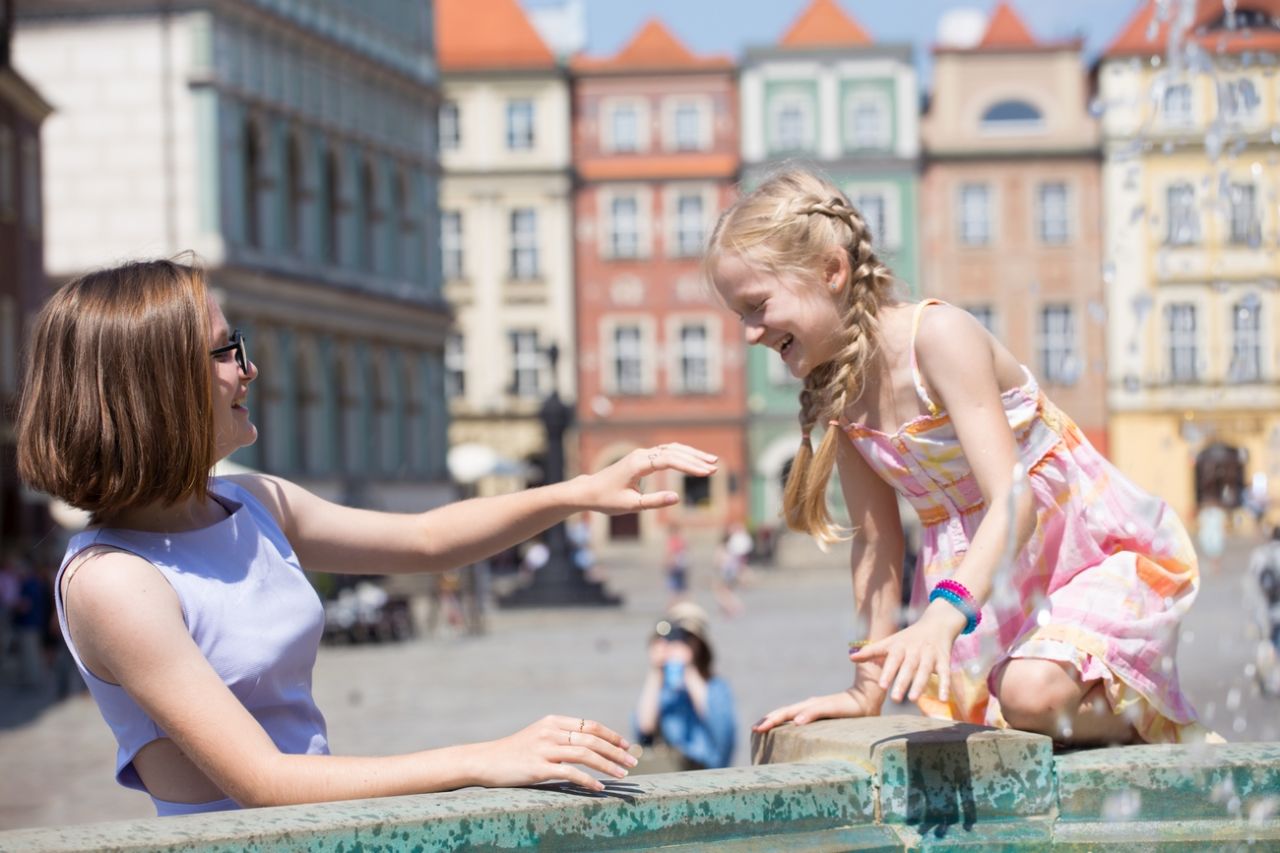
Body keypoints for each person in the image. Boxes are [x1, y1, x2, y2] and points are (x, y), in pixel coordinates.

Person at [15, 258, 720, 816]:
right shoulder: (114, 578)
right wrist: (485, 758)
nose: (248, 368)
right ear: (157, 384)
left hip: (317, 834)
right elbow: (262, 780)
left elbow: (425, 539)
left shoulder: (251, 500)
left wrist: (577, 493)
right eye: (228, 350)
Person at [707, 168, 1216, 747]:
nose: (749, 333)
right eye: (738, 316)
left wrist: (945, 615)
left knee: (1027, 697)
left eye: (755, 306)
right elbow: (877, 543)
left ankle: (1154, 728)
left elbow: (1015, 498)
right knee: (1007, 715)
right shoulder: (840, 394)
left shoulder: (938, 337)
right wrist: (865, 689)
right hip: (990, 580)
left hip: (1080, 555)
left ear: (831, 271)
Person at [632, 603, 736, 771]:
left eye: (685, 637)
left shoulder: (716, 686)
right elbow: (644, 729)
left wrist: (688, 668)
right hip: (668, 771)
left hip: (705, 771)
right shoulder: (663, 689)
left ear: (699, 644)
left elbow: (722, 731)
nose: (677, 643)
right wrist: (656, 671)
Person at [663, 524, 690, 605]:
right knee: (682, 587)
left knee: (674, 588)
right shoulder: (682, 540)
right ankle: (685, 604)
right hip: (682, 565)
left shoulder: (672, 541)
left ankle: (673, 606)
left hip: (674, 566)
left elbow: (669, 553)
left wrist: (666, 563)